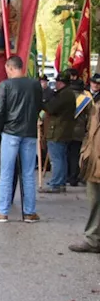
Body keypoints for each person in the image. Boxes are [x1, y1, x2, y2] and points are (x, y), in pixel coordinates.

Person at [0, 56, 43, 223]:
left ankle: (2, 212)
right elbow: (39, 105)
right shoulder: (35, 84)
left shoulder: (6, 85)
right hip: (30, 133)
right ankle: (30, 213)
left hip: (10, 132)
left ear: (9, 68)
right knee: (28, 174)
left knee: (6, 172)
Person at [69, 79, 100, 254]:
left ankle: (93, 238)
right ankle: (93, 239)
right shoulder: (93, 101)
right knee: (95, 199)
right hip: (94, 159)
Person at [41, 68, 79, 194]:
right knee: (61, 157)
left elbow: (51, 108)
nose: (55, 84)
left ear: (61, 82)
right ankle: (60, 182)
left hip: (58, 130)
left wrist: (43, 102)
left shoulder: (64, 94)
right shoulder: (66, 93)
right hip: (63, 130)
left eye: (57, 82)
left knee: (57, 158)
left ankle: (56, 183)